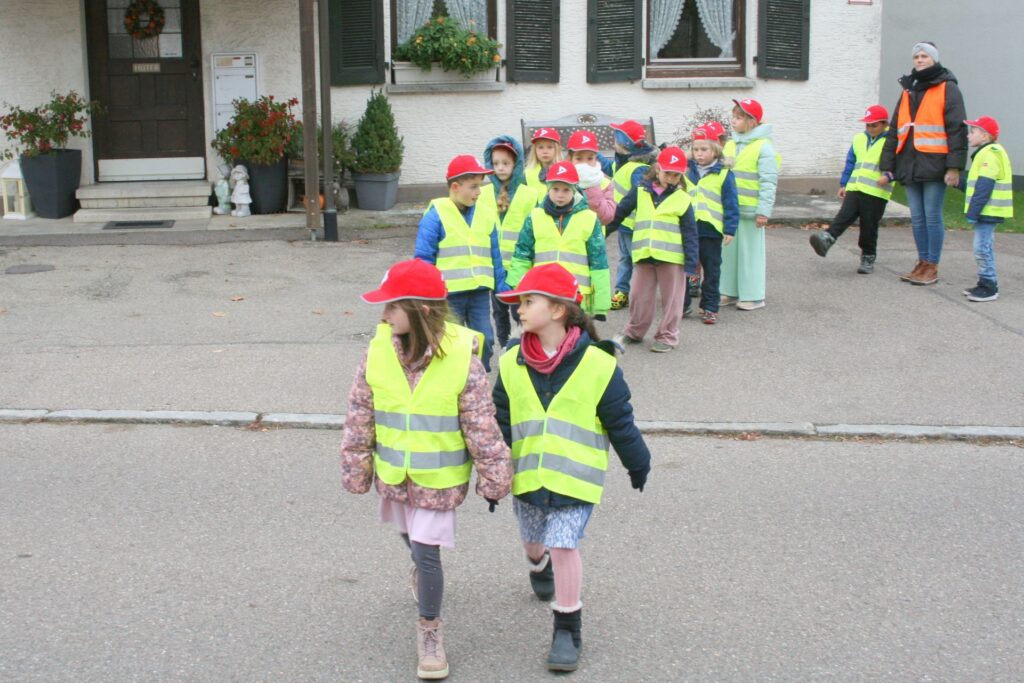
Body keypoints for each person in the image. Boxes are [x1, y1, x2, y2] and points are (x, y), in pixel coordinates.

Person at [340, 258, 512, 681]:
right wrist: (356, 463)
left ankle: (430, 631)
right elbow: (361, 411)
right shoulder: (378, 349)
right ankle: (419, 565)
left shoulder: (461, 357)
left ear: (418, 309)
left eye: (391, 307)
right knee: (410, 539)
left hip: (439, 478)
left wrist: (494, 473)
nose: (383, 315)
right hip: (395, 472)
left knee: (427, 552)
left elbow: (480, 420)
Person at [491, 262, 651, 673]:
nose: (520, 310)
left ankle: (567, 628)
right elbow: (500, 418)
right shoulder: (510, 362)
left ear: (559, 309)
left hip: (575, 481)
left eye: (528, 301)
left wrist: (638, 463)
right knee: (533, 541)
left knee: (564, 545)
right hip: (527, 478)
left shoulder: (599, 365)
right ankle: (535, 562)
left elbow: (620, 420)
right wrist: (493, 470)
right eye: (519, 303)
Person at [879, 41, 968, 286]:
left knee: (931, 215)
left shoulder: (948, 88)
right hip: (908, 162)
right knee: (917, 217)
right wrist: (888, 165)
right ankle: (921, 262)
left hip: (935, 163)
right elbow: (895, 129)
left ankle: (931, 265)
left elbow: (956, 130)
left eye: (924, 56)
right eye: (916, 56)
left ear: (934, 59)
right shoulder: (908, 89)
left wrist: (954, 167)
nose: (919, 60)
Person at [414, 155, 508, 372]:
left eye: (480, 186)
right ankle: (454, 386)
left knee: (484, 340)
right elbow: (424, 258)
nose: (479, 192)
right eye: (473, 187)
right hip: (448, 296)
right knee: (451, 343)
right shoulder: (436, 214)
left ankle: (478, 382)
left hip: (478, 294)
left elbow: (495, 255)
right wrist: (424, 295)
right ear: (455, 187)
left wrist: (501, 285)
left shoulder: (486, 214)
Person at [607, 146, 698, 351]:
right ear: (657, 169)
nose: (671, 178)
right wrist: (603, 232)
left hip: (672, 258)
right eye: (668, 173)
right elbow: (620, 213)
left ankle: (667, 336)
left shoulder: (683, 199)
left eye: (677, 175)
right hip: (644, 254)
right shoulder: (640, 190)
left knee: (672, 300)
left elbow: (691, 233)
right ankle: (635, 331)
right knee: (639, 296)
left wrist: (692, 262)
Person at [507, 160, 611, 318]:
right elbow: (522, 254)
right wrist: (517, 289)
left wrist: (600, 305)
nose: (560, 194)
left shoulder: (589, 218)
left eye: (566, 190)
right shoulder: (535, 216)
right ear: (548, 188)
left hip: (576, 295)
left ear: (575, 190)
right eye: (555, 189)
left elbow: (598, 262)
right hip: (542, 293)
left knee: (574, 340)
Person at [809, 105, 894, 274]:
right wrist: (844, 183)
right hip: (855, 187)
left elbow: (899, 163)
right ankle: (827, 238)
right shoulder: (859, 139)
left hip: (876, 191)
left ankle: (868, 257)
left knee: (868, 226)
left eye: (874, 125)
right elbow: (851, 162)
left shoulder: (892, 141)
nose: (870, 129)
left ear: (885, 124)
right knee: (844, 215)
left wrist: (889, 176)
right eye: (867, 125)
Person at [479, 136, 539, 348]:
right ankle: (505, 346)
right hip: (493, 266)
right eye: (495, 164)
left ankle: (523, 346)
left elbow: (535, 231)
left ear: (516, 164)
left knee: (520, 311)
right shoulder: (483, 194)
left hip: (519, 267)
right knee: (498, 311)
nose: (500, 168)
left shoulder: (529, 195)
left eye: (506, 163)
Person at [719, 98, 777, 310]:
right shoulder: (732, 143)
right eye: (733, 117)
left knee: (750, 254)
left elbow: (768, 181)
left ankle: (753, 295)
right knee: (729, 252)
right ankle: (730, 291)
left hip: (752, 211)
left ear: (752, 121)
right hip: (731, 210)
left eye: (739, 117)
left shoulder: (764, 147)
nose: (733, 121)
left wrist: (763, 211)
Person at [684, 127, 739, 324]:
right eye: (696, 149)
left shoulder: (724, 174)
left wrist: (730, 229)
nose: (698, 153)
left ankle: (709, 306)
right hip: (688, 229)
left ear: (715, 151)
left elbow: (731, 203)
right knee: (685, 268)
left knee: (712, 269)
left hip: (711, 230)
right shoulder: (686, 171)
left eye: (703, 149)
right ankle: (681, 305)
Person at [956, 116, 1013, 302]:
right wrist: (958, 183)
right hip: (987, 210)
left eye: (973, 132)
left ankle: (989, 286)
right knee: (983, 246)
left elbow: (984, 187)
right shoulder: (986, 153)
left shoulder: (990, 154)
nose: (968, 135)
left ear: (985, 135)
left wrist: (973, 213)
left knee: (982, 247)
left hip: (989, 211)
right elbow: (976, 186)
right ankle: (984, 282)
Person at [607, 120, 657, 311]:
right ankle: (622, 291)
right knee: (625, 258)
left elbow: (641, 194)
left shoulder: (639, 168)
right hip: (623, 224)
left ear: (624, 144)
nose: (613, 141)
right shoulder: (623, 161)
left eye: (616, 137)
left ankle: (636, 293)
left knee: (634, 260)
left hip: (634, 225)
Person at [566, 130, 617, 225]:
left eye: (590, 158)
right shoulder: (563, 180)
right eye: (579, 158)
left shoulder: (604, 183)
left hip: (595, 237)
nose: (585, 163)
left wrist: (591, 189)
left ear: (596, 158)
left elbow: (607, 217)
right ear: (570, 158)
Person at [525, 128, 564, 196]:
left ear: (557, 149)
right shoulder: (528, 171)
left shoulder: (564, 171)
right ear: (535, 150)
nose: (545, 151)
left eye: (549, 147)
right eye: (540, 147)